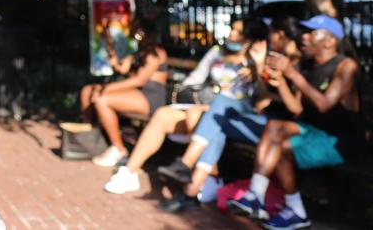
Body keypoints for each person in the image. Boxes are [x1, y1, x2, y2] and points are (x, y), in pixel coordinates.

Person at [154, 16, 304, 213]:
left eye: (272, 35)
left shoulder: (298, 64)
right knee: (218, 122)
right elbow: (264, 99)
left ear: (281, 35)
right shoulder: (272, 59)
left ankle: (186, 167)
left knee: (221, 107)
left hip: (280, 129)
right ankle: (190, 190)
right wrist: (261, 69)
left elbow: (288, 107)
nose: (269, 40)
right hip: (262, 121)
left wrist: (263, 72)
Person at [103, 18, 268, 192]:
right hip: (203, 105)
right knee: (163, 115)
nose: (232, 34)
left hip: (232, 114)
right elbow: (196, 78)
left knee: (196, 115)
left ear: (252, 39)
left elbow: (260, 102)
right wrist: (184, 97)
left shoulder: (257, 62)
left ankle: (203, 178)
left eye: (239, 32)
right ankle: (130, 171)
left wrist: (258, 66)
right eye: (232, 29)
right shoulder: (218, 52)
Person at [228, 14, 362, 230]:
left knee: (281, 149)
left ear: (330, 41)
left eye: (312, 33)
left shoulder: (345, 67)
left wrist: (290, 73)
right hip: (313, 131)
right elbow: (297, 109)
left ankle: (295, 210)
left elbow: (324, 105)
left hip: (339, 140)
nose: (304, 38)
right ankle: (255, 196)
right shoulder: (308, 67)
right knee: (273, 126)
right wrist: (281, 82)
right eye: (305, 32)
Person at [79, 22, 168, 167]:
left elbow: (140, 80)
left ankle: (118, 149)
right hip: (137, 93)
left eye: (139, 32)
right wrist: (109, 45)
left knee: (102, 100)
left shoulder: (155, 52)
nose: (136, 35)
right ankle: (91, 135)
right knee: (87, 90)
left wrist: (106, 89)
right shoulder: (138, 52)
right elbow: (122, 68)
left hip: (151, 96)